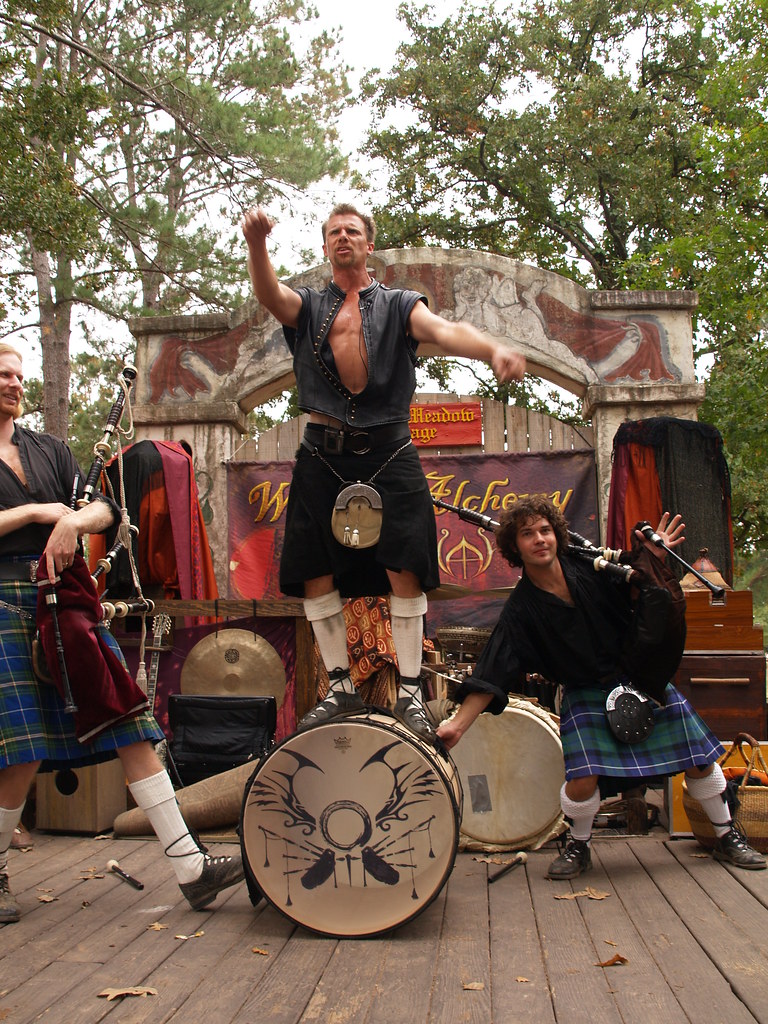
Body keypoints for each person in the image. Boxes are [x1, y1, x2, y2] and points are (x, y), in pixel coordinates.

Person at [242, 203, 525, 742]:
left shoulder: (398, 305)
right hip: (322, 451)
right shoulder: (309, 307)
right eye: (333, 233)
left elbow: (445, 329)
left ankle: (411, 695)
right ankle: (342, 686)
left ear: (369, 244)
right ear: (325, 247)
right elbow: (269, 295)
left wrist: (491, 348)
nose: (342, 238)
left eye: (352, 231)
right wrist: (257, 243)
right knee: (314, 570)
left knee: (405, 566)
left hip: (390, 449)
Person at [0, 344, 244, 925]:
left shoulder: (48, 449)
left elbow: (107, 508)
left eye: (16, 373)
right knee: (22, 749)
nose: (12, 382)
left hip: (65, 601)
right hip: (4, 598)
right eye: (1, 374)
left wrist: (76, 520)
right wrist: (41, 515)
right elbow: (39, 515)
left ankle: (191, 868)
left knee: (130, 723)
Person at [436, 495, 765, 877]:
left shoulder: (592, 568)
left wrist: (653, 553)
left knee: (698, 760)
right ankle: (578, 845)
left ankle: (727, 836)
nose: (539, 539)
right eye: (528, 534)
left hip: (637, 677)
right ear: (514, 546)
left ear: (557, 536)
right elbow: (492, 670)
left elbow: (640, 578)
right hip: (584, 688)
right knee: (582, 777)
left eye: (545, 530)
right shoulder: (521, 610)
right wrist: (457, 725)